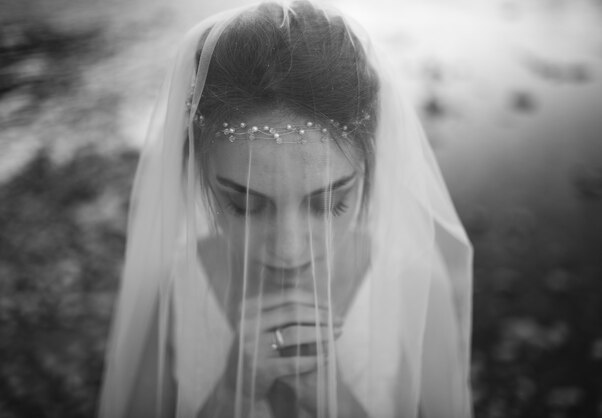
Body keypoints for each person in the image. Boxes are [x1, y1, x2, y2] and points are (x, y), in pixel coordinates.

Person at [98, 1, 474, 417]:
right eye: (243, 205)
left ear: (370, 168)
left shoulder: (416, 283)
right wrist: (230, 397)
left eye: (331, 202)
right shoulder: (172, 285)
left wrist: (337, 402)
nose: (290, 251)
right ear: (200, 175)